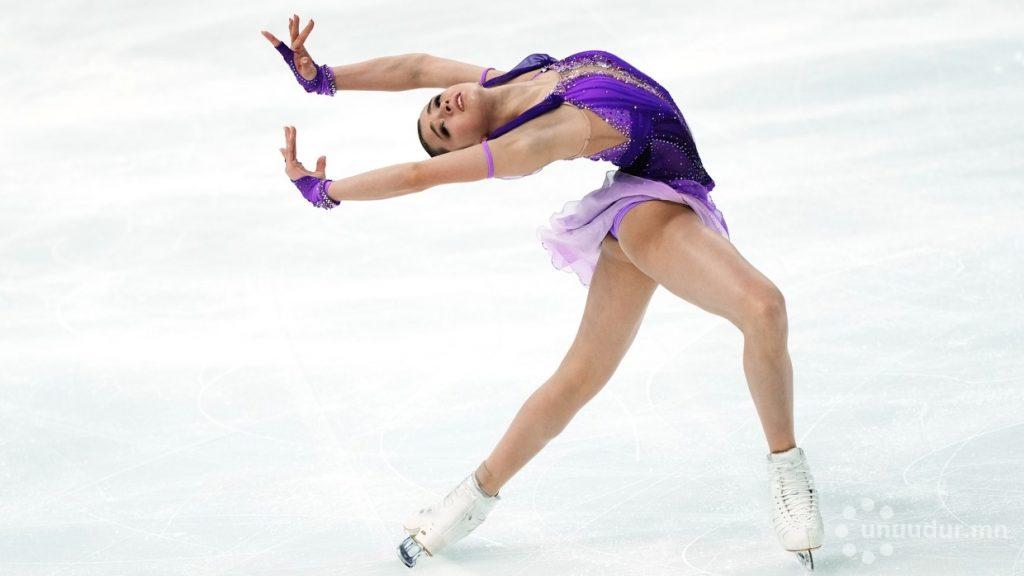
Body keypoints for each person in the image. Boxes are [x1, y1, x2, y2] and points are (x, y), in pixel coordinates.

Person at [262, 14, 825, 571]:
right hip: (652, 205)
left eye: (436, 106)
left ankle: (466, 502)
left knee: (579, 377)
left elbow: (416, 67)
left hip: (645, 195)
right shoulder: (532, 140)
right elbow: (418, 175)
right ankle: (788, 472)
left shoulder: (509, 79)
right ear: (476, 144)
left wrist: (325, 78)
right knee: (763, 308)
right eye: (444, 131)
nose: (443, 109)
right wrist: (326, 189)